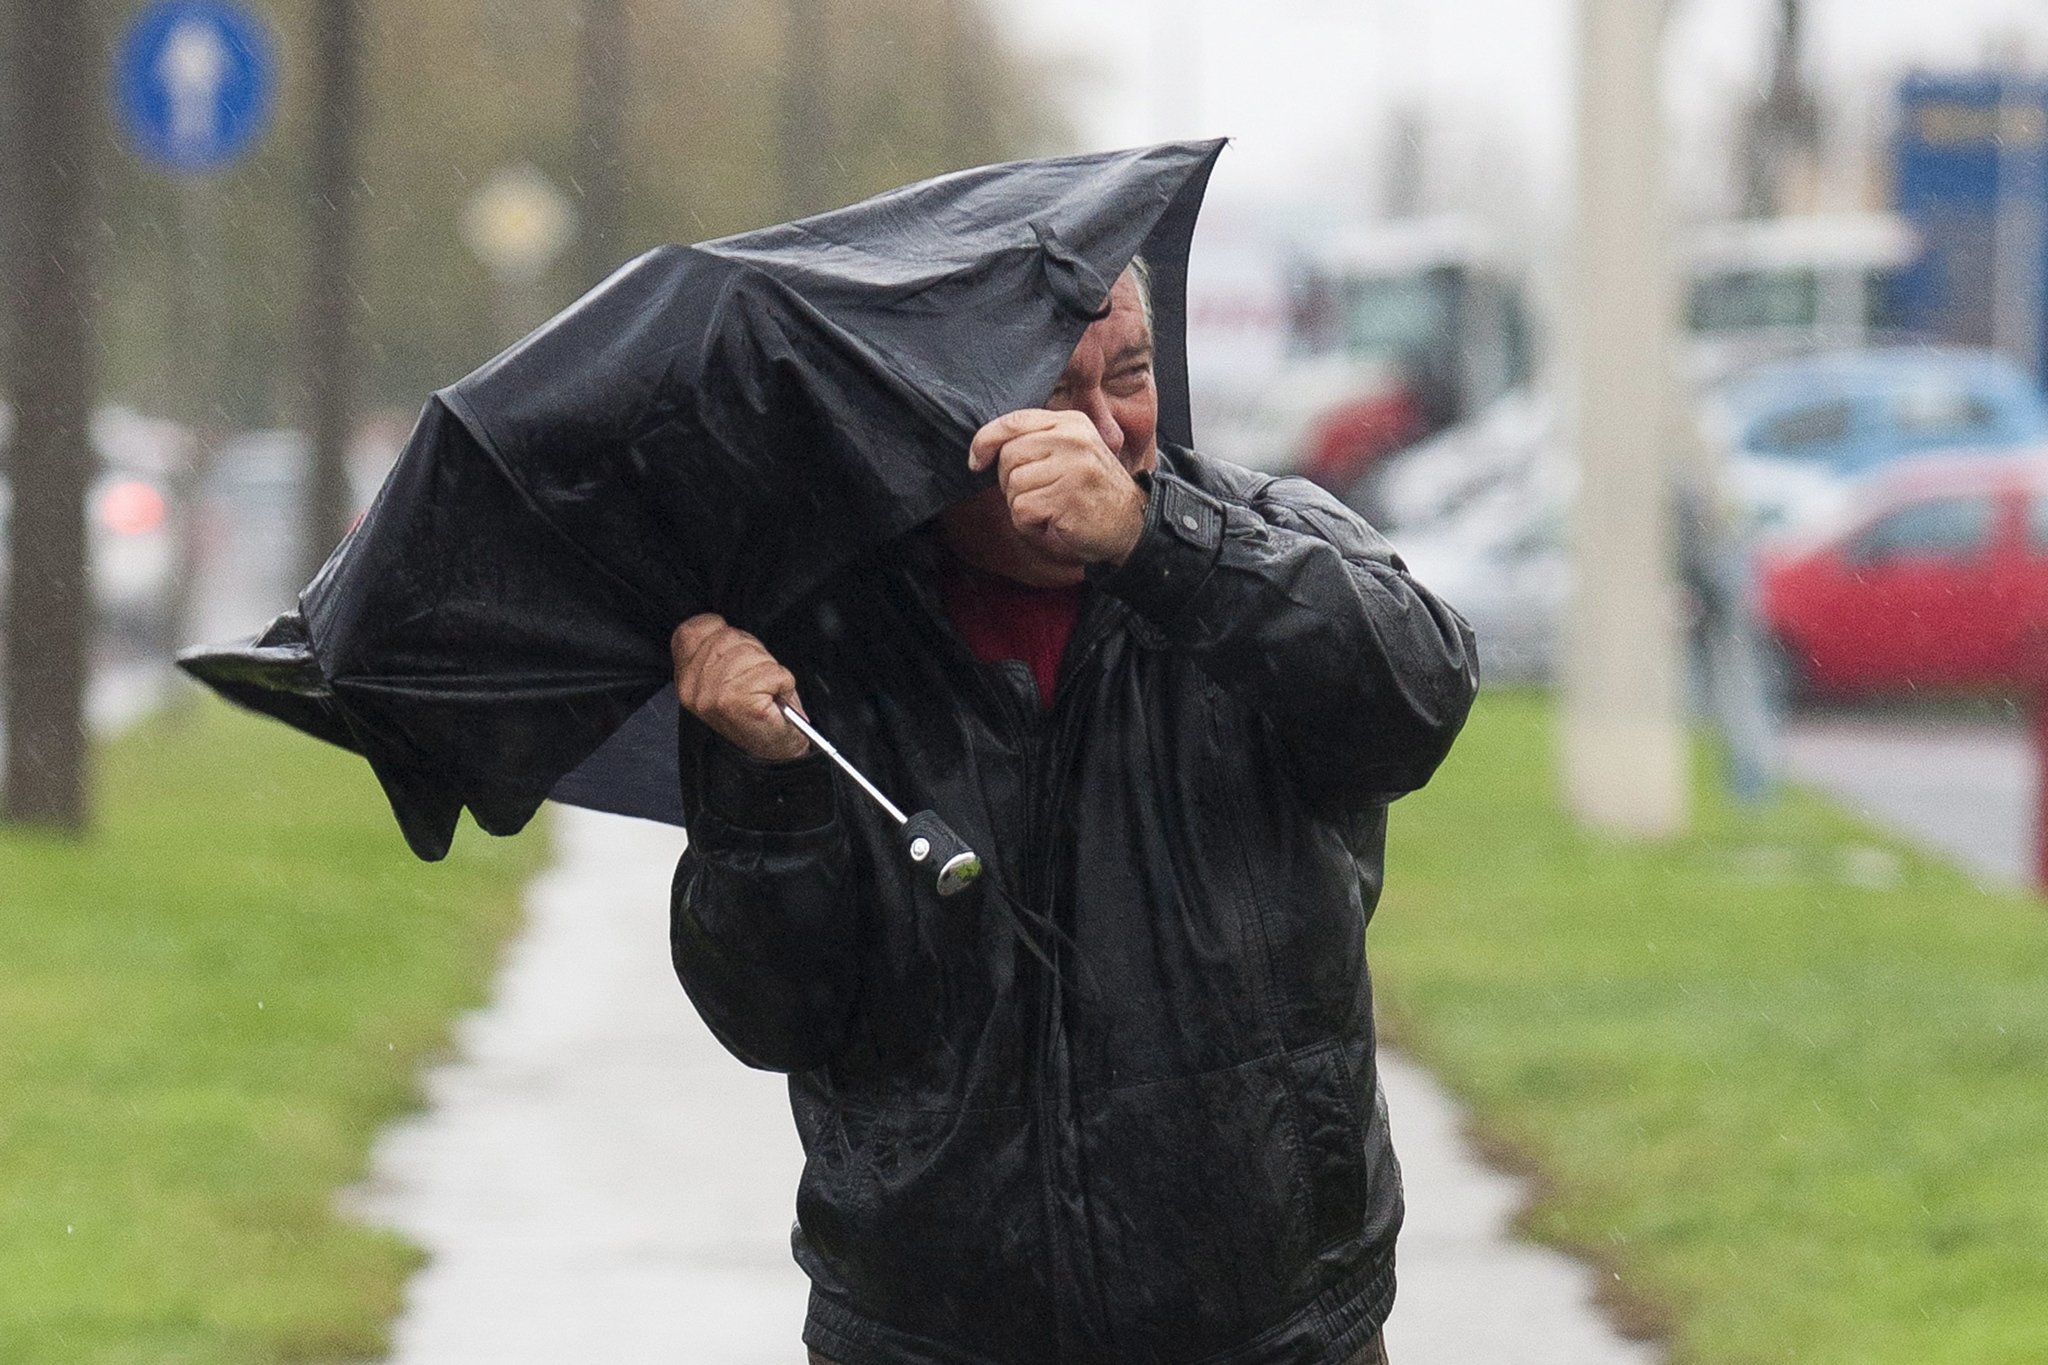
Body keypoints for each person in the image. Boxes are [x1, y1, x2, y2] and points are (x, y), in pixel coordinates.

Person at [667, 262, 1477, 1365]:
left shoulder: (1261, 536)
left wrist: (1156, 543)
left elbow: (1419, 698)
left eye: (1129, 375)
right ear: (943, 407)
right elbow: (772, 1017)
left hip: (1271, 1326)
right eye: (1051, 393)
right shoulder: (819, 634)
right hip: (927, 1333)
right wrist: (763, 789)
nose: (1104, 428)